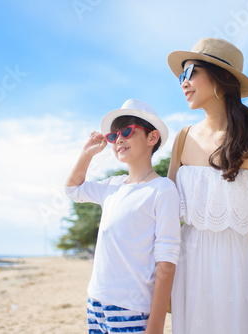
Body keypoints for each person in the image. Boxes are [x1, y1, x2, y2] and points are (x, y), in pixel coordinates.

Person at [166, 38, 248, 334]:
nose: (183, 83)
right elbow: (166, 217)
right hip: (191, 275)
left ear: (220, 78)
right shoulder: (182, 139)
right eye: (180, 76)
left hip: (246, 270)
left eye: (190, 73)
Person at [65, 99, 181, 334]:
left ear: (152, 137)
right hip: (96, 301)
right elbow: (72, 190)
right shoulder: (112, 186)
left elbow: (167, 263)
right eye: (114, 135)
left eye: (127, 131)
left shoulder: (163, 190)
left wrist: (156, 325)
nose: (119, 139)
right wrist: (87, 154)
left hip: (131, 307)